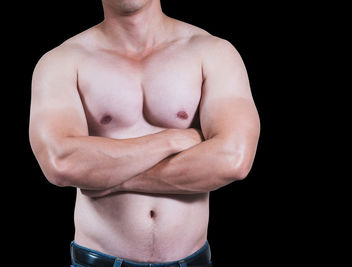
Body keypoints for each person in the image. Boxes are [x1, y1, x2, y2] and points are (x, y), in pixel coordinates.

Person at [29, 0, 260, 266]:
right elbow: (62, 163)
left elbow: (232, 160)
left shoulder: (212, 53)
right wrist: (172, 140)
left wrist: (110, 180)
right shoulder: (62, 62)